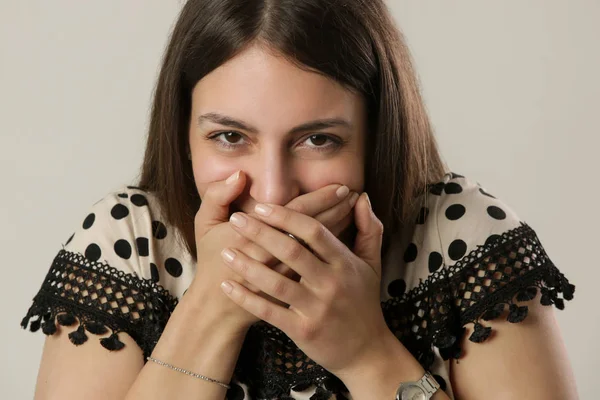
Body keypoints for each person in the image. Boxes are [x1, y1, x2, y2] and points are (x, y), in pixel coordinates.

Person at [20, 0, 578, 399]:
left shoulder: (463, 234)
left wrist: (366, 354)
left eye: (318, 139)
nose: (273, 191)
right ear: (183, 132)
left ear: (376, 135)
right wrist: (212, 311)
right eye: (230, 137)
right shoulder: (128, 239)